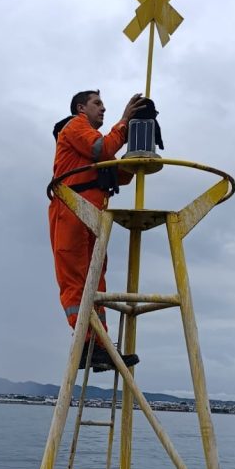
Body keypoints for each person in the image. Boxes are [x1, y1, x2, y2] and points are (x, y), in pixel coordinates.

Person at [49, 89, 144, 372]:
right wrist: (125, 122)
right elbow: (102, 149)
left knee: (96, 283)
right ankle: (86, 344)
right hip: (71, 210)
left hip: (92, 217)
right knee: (76, 280)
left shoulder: (91, 145)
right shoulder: (75, 126)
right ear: (81, 108)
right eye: (97, 103)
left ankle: (99, 347)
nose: (103, 108)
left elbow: (117, 174)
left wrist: (139, 147)